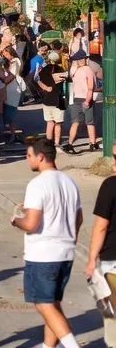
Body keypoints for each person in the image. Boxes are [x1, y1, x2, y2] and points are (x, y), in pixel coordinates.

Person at [12, 138, 83, 348]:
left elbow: (31, 224)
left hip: (43, 254)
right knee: (53, 305)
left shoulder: (37, 184)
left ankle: (71, 345)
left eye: (28, 155)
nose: (27, 159)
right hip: (66, 252)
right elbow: (78, 218)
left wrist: (16, 219)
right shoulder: (69, 182)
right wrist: (71, 239)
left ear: (40, 157)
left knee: (44, 305)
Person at [85, 142, 116, 348]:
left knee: (111, 316)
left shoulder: (111, 185)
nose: (113, 162)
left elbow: (100, 227)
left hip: (112, 261)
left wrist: (91, 258)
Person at [66, 49, 97, 153]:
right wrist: (88, 101)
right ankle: (93, 143)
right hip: (85, 98)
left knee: (75, 122)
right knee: (90, 122)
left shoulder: (74, 71)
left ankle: (70, 144)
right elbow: (90, 87)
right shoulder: (88, 69)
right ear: (84, 59)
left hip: (75, 99)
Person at [36, 50, 68, 149]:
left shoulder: (44, 70)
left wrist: (46, 88)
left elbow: (37, 80)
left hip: (47, 100)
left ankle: (49, 142)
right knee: (58, 123)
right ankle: (57, 143)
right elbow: (65, 78)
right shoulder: (61, 70)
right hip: (58, 100)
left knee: (50, 122)